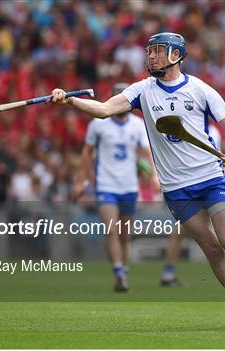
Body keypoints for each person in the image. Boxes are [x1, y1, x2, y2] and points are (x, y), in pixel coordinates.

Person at [51, 32, 225, 328]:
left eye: (158, 51)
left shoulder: (201, 90)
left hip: (210, 178)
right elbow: (103, 110)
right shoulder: (142, 90)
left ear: (176, 55)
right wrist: (70, 100)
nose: (151, 56)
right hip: (177, 189)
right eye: (149, 52)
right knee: (212, 249)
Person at [75, 82, 159, 292]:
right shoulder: (98, 124)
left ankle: (124, 273)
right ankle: (118, 271)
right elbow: (87, 154)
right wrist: (80, 181)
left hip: (129, 186)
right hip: (106, 185)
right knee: (111, 230)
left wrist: (154, 175)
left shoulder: (137, 125)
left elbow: (146, 154)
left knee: (124, 234)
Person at [160, 123, 225, 286]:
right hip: (184, 188)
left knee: (210, 233)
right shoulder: (184, 128)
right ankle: (168, 273)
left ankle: (168, 273)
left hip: (203, 187)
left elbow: (216, 164)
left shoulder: (212, 131)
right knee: (185, 233)